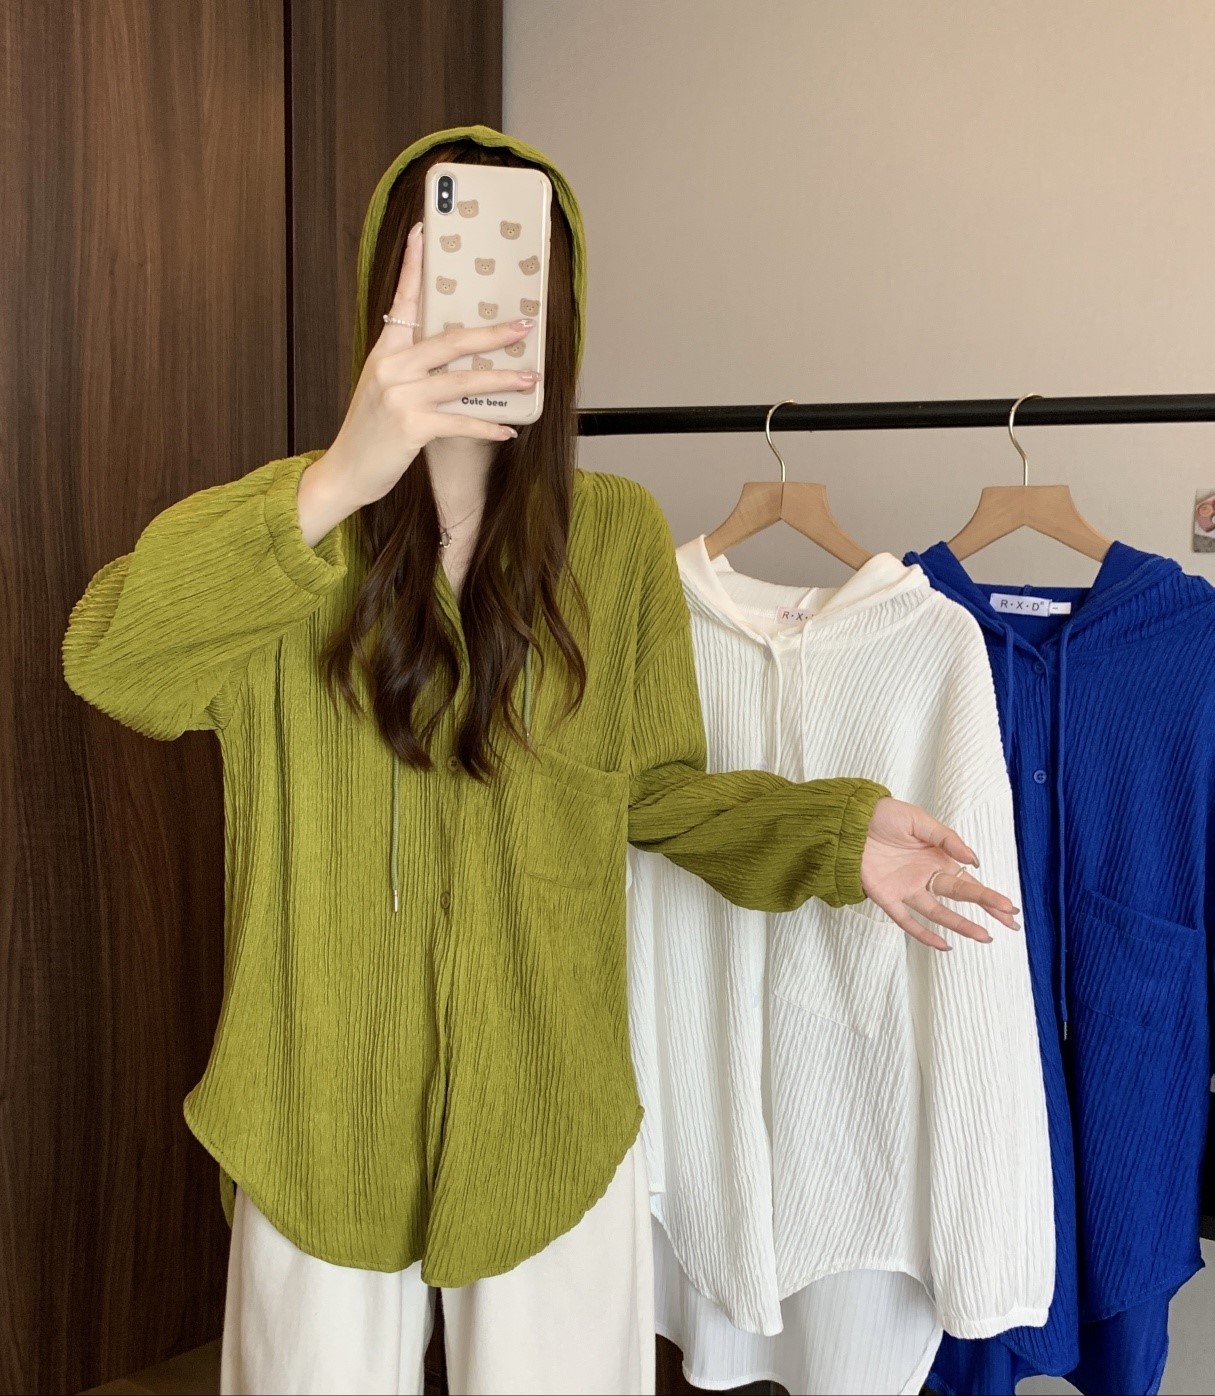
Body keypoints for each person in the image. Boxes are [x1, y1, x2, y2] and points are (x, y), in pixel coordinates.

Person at [61, 125, 1020, 1396]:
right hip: (312, 1104)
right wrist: (341, 476)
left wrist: (834, 835)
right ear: (386, 294)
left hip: (546, 1113)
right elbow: (113, 662)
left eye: (517, 269)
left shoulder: (611, 537)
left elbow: (655, 790)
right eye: (446, 262)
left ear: (557, 313)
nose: (483, 299)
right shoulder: (291, 525)